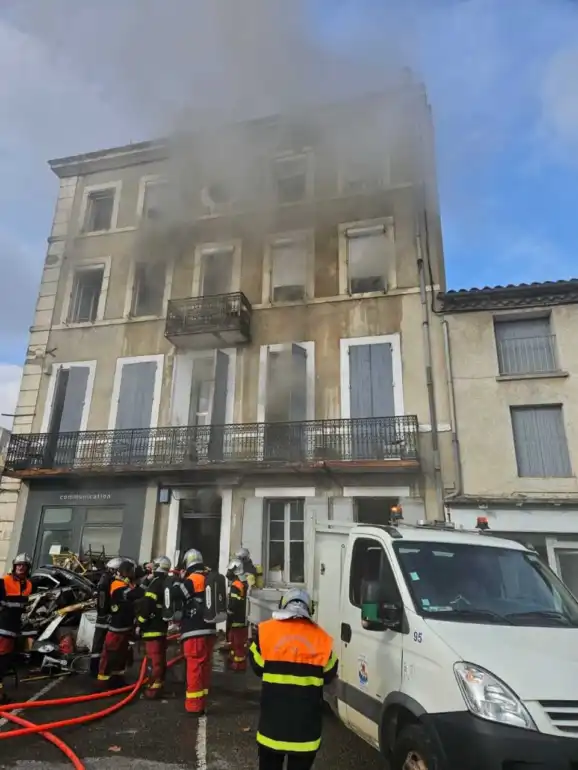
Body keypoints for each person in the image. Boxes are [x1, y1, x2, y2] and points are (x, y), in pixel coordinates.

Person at [249, 588, 338, 770]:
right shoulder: (322, 640)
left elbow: (257, 667)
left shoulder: (266, 632)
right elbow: (329, 674)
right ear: (309, 608)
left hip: (272, 730)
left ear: (283, 605)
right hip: (305, 735)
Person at [176, 548, 216, 715]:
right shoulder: (209, 578)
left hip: (194, 631)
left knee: (194, 666)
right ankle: (202, 701)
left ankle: (193, 705)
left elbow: (177, 595)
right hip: (209, 630)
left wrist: (178, 580)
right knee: (205, 665)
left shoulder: (192, 580)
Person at [97, 559, 143, 688]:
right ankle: (103, 682)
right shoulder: (117, 585)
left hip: (125, 629)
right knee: (110, 657)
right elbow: (133, 594)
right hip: (116, 629)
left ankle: (118, 680)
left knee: (121, 657)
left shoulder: (126, 585)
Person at [136, 555, 171, 699]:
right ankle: (159, 685)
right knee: (160, 659)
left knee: (154, 660)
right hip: (161, 627)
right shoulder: (165, 582)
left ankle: (153, 690)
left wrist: (140, 622)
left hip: (152, 628)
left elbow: (148, 604)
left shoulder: (156, 583)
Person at [0, 553, 32, 705]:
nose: (20, 567)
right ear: (14, 566)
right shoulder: (4, 581)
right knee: (2, 662)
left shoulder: (29, 585)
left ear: (27, 568)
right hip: (2, 628)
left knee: (5, 662)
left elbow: (21, 607)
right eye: (18, 565)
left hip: (13, 629)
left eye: (23, 565)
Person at [90, 556, 124, 678]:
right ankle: (95, 669)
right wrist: (106, 614)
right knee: (101, 644)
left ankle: (98, 668)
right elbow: (103, 600)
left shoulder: (105, 579)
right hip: (105, 617)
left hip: (104, 616)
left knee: (101, 643)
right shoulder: (106, 582)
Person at [225, 557, 249, 672]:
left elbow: (234, 603)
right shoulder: (242, 583)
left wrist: (229, 611)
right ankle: (235, 660)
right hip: (242, 617)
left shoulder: (235, 585)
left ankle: (239, 665)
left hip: (236, 619)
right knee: (236, 642)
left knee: (237, 643)